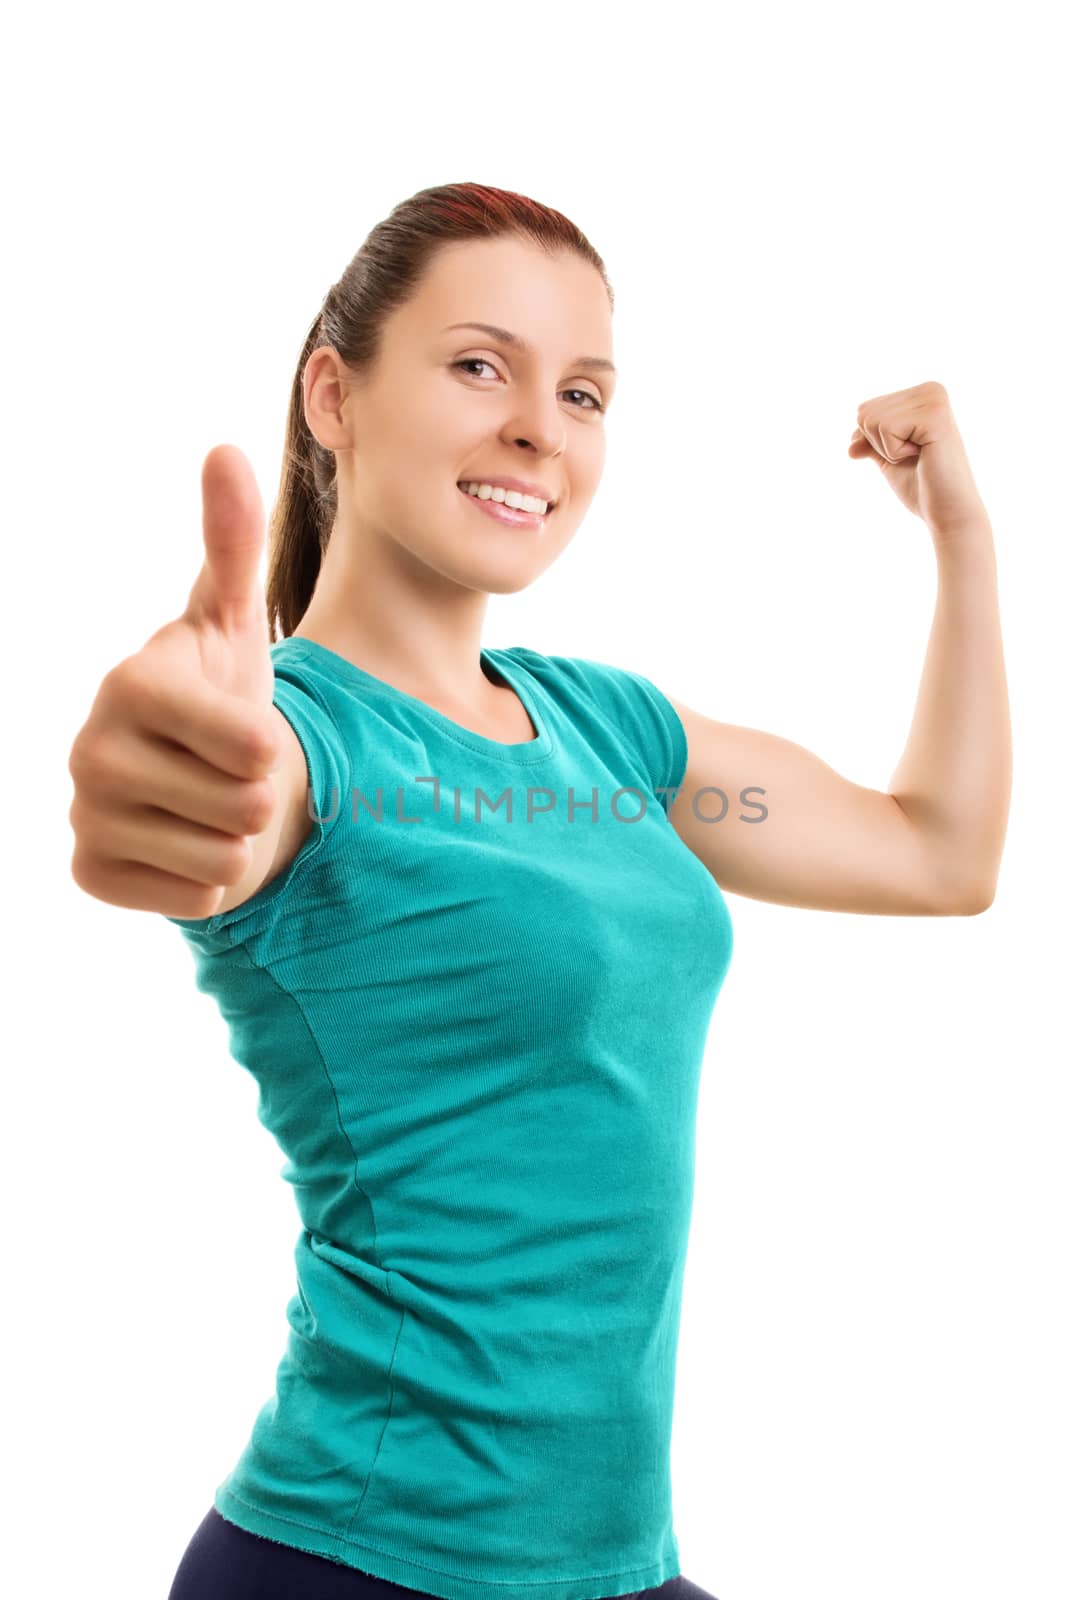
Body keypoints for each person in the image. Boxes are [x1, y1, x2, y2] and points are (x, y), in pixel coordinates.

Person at [66, 181, 1010, 1600]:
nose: (539, 428)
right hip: (356, 1565)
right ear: (335, 396)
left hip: (614, 1568)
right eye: (477, 365)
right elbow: (230, 815)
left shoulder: (610, 741)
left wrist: (962, 536)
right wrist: (175, 784)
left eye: (585, 392)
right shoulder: (310, 745)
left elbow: (939, 852)